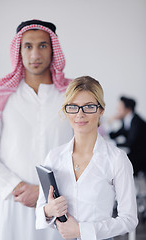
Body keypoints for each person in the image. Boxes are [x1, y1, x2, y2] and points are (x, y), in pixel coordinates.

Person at [0, 19, 73, 240]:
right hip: (11, 204)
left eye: (42, 45)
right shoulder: (0, 96)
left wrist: (45, 193)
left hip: (60, 204)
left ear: (54, 49)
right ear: (19, 50)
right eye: (28, 46)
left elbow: (85, 152)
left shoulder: (71, 96)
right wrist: (18, 187)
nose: (35, 54)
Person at [36, 76, 138, 240]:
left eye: (89, 106)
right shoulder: (54, 157)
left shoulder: (117, 159)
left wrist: (82, 231)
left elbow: (129, 219)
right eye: (73, 107)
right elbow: (41, 208)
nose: (80, 114)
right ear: (66, 110)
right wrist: (49, 210)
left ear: (101, 110)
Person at [109, 96, 146, 176]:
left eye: (119, 108)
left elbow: (130, 143)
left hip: (141, 157)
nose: (117, 110)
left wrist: (113, 144)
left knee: (117, 162)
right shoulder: (126, 120)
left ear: (128, 109)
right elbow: (113, 135)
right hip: (134, 153)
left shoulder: (137, 122)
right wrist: (110, 122)